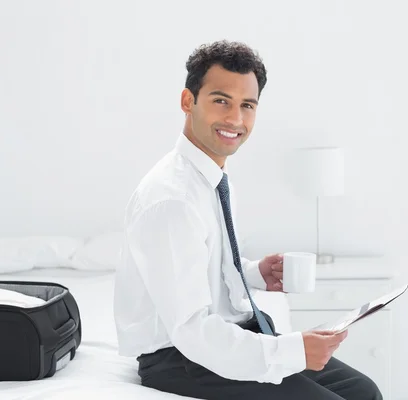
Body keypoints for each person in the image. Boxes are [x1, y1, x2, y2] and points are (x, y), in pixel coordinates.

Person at [113, 40, 382, 400]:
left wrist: (254, 273)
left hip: (236, 335)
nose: (235, 120)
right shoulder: (171, 200)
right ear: (188, 101)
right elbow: (190, 329)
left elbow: (203, 267)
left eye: (247, 105)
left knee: (364, 392)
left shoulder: (212, 177)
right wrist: (292, 351)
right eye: (221, 101)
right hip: (182, 359)